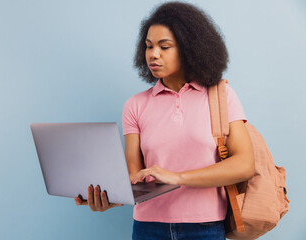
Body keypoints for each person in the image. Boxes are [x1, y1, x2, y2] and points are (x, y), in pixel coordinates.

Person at [75, 1, 255, 239]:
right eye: (149, 46)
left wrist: (177, 178)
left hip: (205, 228)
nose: (153, 54)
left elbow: (244, 165)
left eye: (164, 46)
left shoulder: (221, 95)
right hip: (148, 228)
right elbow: (135, 176)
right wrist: (111, 199)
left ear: (190, 48)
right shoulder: (135, 105)